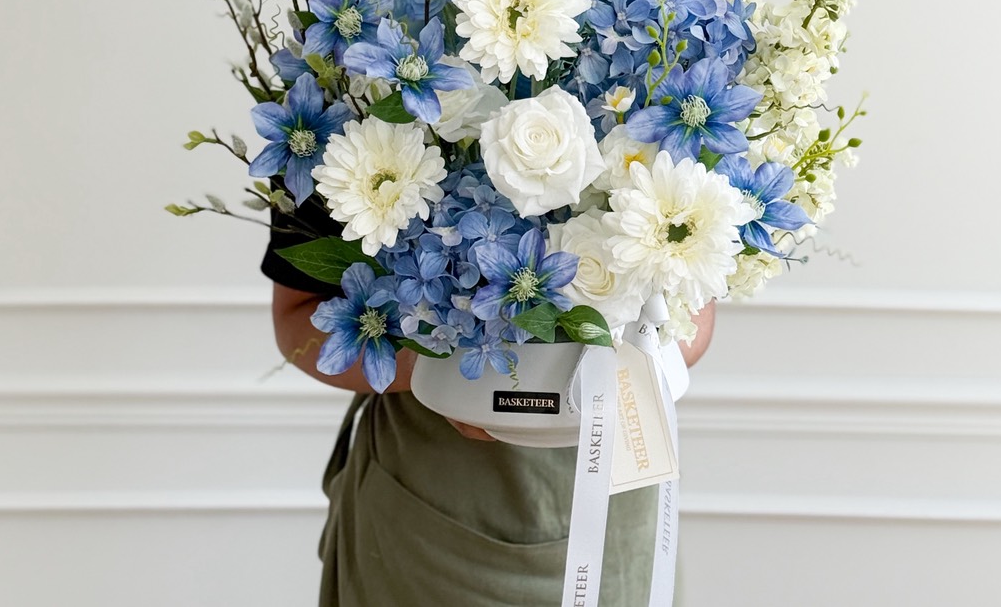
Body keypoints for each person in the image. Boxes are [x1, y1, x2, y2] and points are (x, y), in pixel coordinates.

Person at [262, 206, 714, 607]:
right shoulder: (341, 135)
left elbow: (692, 319)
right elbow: (297, 317)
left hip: (617, 500)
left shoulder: (674, 147)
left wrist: (588, 384)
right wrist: (440, 364)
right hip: (422, 521)